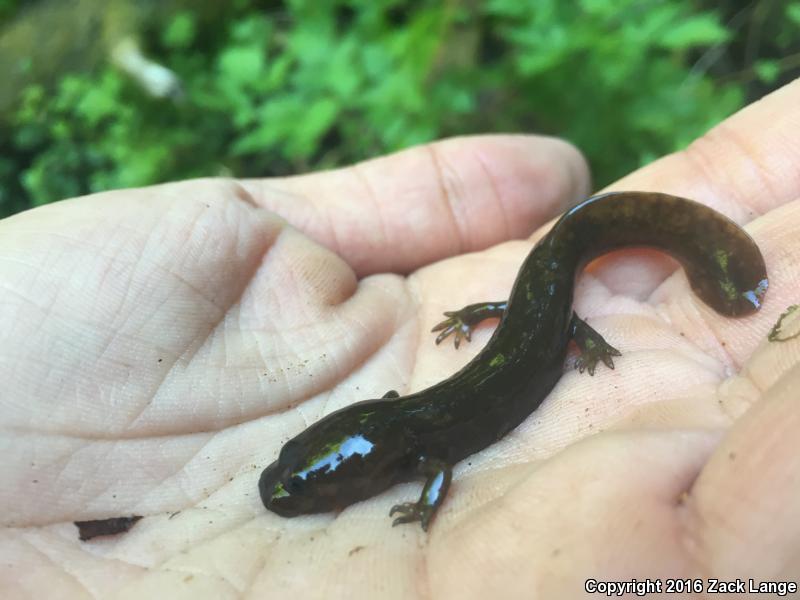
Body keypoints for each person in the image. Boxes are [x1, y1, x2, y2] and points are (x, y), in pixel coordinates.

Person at [1, 79, 798, 598]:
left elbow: (437, 475)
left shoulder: (421, 450)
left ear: (364, 452)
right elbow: (436, 460)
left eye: (303, 483)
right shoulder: (407, 433)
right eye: (300, 477)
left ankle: (609, 314)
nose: (289, 491)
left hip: (543, 320)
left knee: (544, 318)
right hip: (526, 315)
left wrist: (425, 508)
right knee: (536, 315)